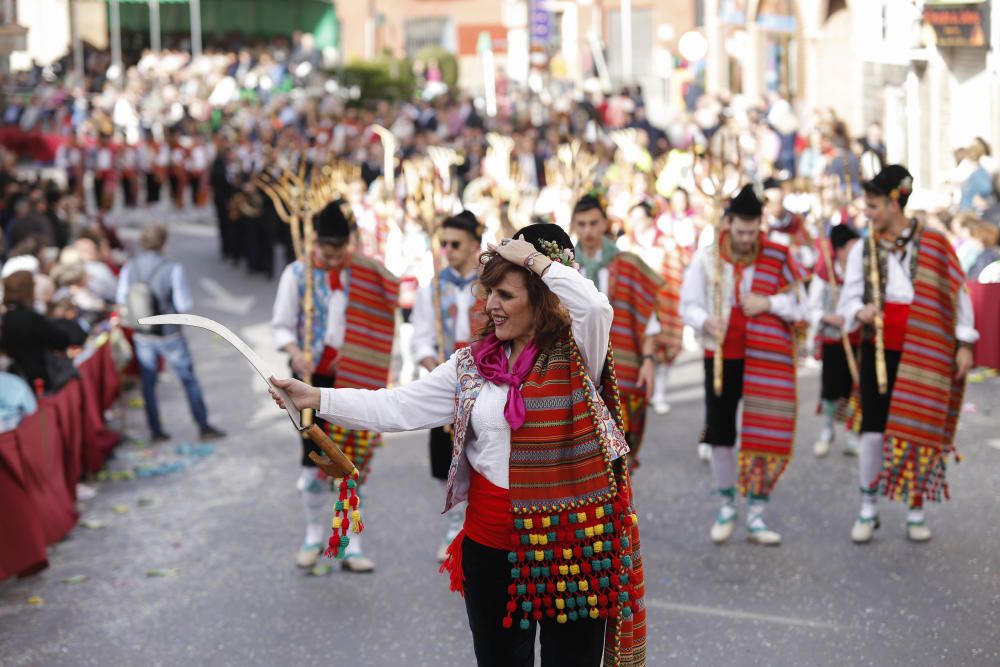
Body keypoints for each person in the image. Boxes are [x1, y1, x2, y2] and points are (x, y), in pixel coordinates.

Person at [269, 224, 646, 667]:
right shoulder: (473, 364)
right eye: (490, 293)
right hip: (490, 548)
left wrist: (535, 261)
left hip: (573, 552)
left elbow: (595, 306)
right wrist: (318, 398)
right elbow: (400, 406)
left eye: (506, 295)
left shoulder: (579, 352)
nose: (491, 306)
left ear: (543, 299)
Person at [837, 165, 977, 544]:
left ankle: (916, 508)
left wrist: (964, 343)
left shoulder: (934, 242)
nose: (868, 213)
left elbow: (957, 293)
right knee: (872, 430)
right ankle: (868, 507)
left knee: (920, 428)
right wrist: (859, 311)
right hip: (879, 347)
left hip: (927, 348)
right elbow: (849, 296)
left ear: (895, 202)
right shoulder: (863, 247)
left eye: (873, 206)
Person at [271, 198, 399, 573]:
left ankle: (349, 540)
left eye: (338, 248)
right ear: (316, 241)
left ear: (350, 243)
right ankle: (313, 534)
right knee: (312, 460)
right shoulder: (297, 274)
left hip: (355, 379)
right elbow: (281, 324)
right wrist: (295, 352)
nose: (331, 255)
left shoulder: (365, 273)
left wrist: (362, 352)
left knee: (351, 462)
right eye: (326, 248)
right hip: (309, 380)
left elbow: (383, 315)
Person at [680, 185, 807, 546]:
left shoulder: (777, 256)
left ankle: (757, 514)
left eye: (753, 232)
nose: (746, 239)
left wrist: (769, 304)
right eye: (740, 232)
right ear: (728, 223)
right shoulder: (707, 258)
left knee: (764, 431)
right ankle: (726, 506)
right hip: (720, 356)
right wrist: (706, 320)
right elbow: (687, 305)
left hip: (764, 357)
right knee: (721, 434)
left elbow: (801, 303)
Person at [410, 210, 484, 562]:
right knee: (444, 459)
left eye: (456, 244)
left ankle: (479, 523)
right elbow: (421, 339)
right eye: (444, 244)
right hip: (446, 380)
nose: (449, 250)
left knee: (482, 452)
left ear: (475, 245)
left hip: (486, 380)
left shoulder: (490, 285)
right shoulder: (432, 289)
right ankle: (455, 523)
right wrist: (436, 368)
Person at [573, 194, 663, 469]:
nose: (588, 230)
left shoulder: (628, 264)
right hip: (575, 367)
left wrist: (648, 362)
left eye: (593, 223)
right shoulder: (563, 268)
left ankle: (621, 504)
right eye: (582, 224)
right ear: (574, 226)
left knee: (622, 444)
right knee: (582, 449)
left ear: (605, 224)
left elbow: (648, 318)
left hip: (623, 364)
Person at [116, 224, 225, 444]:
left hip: (143, 333)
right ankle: (203, 426)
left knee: (148, 382)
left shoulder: (130, 267)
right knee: (188, 379)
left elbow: (121, 299)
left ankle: (156, 431)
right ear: (163, 244)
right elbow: (183, 303)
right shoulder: (172, 268)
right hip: (169, 333)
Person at [617, 199, 684, 416]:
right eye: (633, 218)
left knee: (664, 349)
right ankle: (641, 390)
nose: (636, 222)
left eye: (640, 218)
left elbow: (675, 273)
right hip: (635, 306)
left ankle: (660, 393)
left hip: (663, 302)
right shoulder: (625, 244)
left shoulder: (666, 243)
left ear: (650, 218)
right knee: (640, 349)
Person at [808, 224, 861, 457]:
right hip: (832, 340)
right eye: (851, 247)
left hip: (857, 338)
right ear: (839, 250)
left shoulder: (861, 273)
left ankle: (852, 434)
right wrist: (828, 317)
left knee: (855, 388)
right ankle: (827, 431)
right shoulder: (824, 276)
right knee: (830, 389)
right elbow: (811, 309)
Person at [0, 270, 78, 392]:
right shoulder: (28, 317)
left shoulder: (6, 319)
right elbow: (60, 340)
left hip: (25, 378)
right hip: (44, 377)